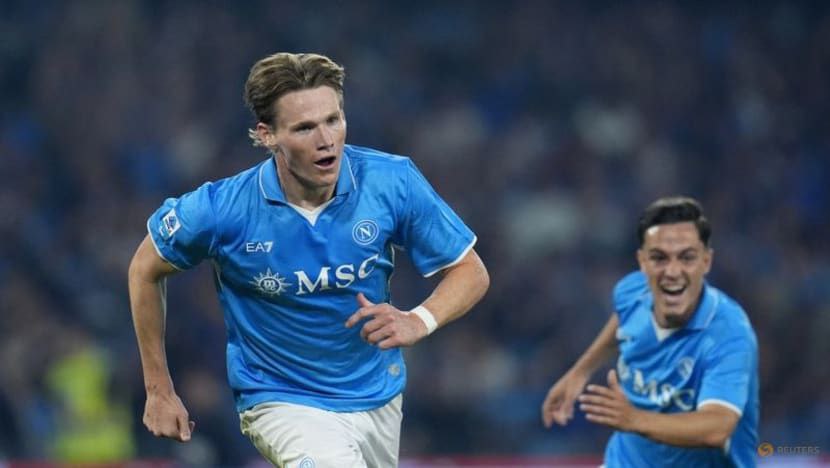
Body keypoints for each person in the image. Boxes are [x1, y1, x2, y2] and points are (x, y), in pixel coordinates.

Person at [128, 52, 489, 467]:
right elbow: (144, 269)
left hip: (378, 394)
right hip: (281, 399)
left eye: (333, 120)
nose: (326, 140)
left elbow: (470, 271)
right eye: (304, 128)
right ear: (267, 135)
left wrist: (419, 319)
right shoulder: (221, 209)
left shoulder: (391, 182)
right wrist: (158, 389)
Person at [541, 196, 759, 467]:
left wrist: (634, 419)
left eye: (687, 257)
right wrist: (580, 372)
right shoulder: (632, 291)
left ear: (706, 261)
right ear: (642, 261)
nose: (673, 271)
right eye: (659, 258)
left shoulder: (729, 334)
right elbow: (622, 320)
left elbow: (717, 428)